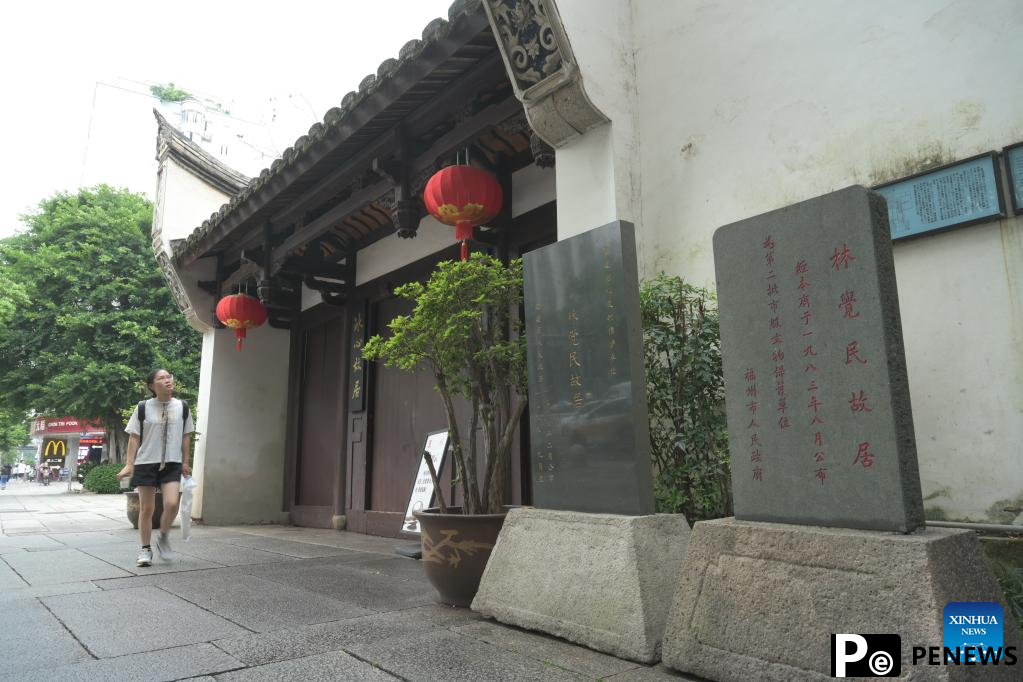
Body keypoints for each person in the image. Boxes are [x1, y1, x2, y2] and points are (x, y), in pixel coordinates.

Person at [117, 369, 194, 567]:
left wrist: (185, 461)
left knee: (170, 504)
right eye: (162, 378)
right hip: (146, 462)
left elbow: (186, 436)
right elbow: (134, 436)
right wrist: (129, 464)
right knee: (146, 508)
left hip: (172, 462)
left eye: (169, 377)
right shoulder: (143, 407)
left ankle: (163, 537)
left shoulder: (182, 407)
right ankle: (145, 549)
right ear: (152, 386)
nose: (168, 380)